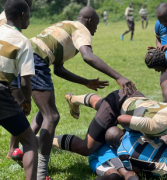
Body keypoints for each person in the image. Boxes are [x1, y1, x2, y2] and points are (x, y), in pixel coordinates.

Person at [7, 6, 137, 180]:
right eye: (96, 24)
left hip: (23, 55)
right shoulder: (81, 29)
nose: (96, 29)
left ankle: (20, 149)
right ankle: (41, 174)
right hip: (35, 60)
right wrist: (118, 77)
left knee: (43, 111)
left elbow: (59, 69)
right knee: (51, 117)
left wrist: (86, 82)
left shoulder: (65, 25)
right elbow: (88, 56)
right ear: (89, 20)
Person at [51, 89, 167, 156]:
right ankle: (44, 139)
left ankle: (74, 99)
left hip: (134, 96)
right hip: (119, 106)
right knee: (87, 148)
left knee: (102, 106)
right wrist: (127, 131)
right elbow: (120, 119)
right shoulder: (156, 126)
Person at [0, 0, 38, 179]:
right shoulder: (23, 42)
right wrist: (26, 102)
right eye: (29, 14)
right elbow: (24, 82)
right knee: (30, 141)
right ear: (23, 15)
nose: (29, 19)